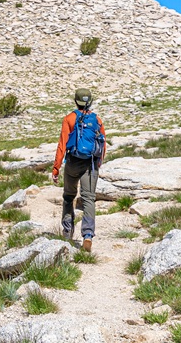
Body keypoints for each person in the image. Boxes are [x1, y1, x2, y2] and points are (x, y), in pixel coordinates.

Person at [51, 88, 107, 252]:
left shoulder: (69, 118)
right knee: (88, 199)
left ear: (75, 101)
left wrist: (56, 168)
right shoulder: (96, 119)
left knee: (69, 197)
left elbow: (62, 145)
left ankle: (67, 232)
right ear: (90, 102)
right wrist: (99, 163)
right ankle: (88, 235)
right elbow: (103, 143)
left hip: (73, 163)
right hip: (90, 164)